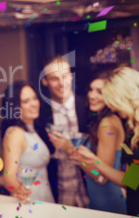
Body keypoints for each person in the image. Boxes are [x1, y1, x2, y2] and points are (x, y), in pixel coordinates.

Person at [55, 72, 126, 213]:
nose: (92, 95)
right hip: (98, 202)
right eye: (91, 89)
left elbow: (100, 178)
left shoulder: (107, 124)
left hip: (108, 204)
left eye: (100, 92)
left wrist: (70, 151)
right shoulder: (100, 120)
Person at [74, 66, 139, 216]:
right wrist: (93, 160)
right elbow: (132, 181)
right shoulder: (133, 131)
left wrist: (92, 161)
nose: (113, 107)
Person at [36, 55, 89, 207]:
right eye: (54, 78)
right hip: (57, 192)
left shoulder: (88, 105)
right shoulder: (39, 113)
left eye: (65, 76)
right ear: (45, 81)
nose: (61, 83)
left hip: (91, 190)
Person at [0, 81, 55, 203]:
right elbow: (8, 176)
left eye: (34, 98)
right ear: (14, 107)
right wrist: (20, 190)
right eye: (25, 101)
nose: (33, 104)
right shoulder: (15, 133)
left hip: (44, 198)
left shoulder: (34, 130)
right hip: (27, 201)